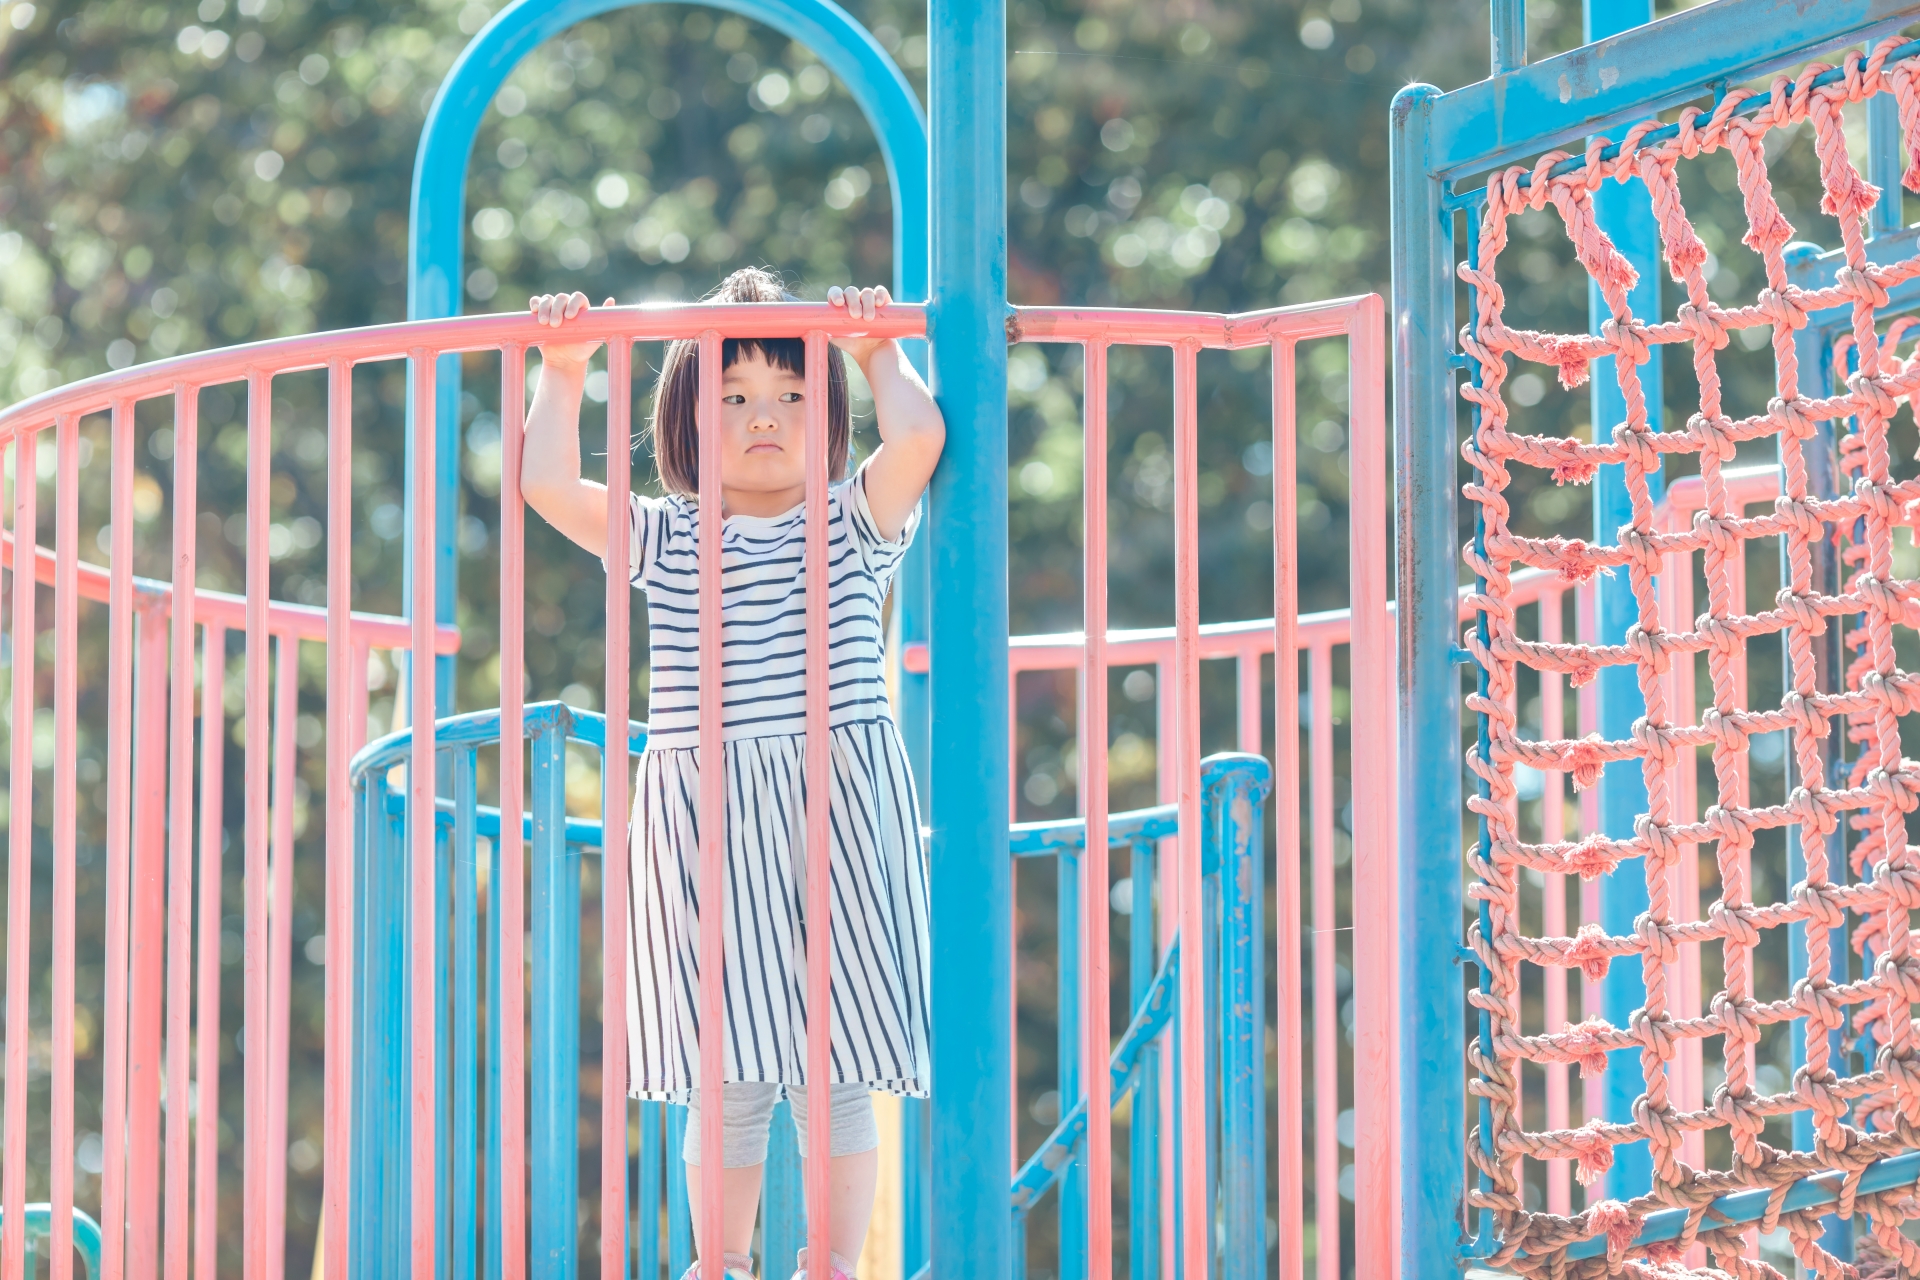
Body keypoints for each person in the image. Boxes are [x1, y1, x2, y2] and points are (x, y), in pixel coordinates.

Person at [519, 267, 944, 1280]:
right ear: (686, 424)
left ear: (829, 418)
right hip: (705, 812)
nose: (767, 417)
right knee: (726, 1059)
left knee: (832, 1057)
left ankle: (829, 1260)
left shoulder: (851, 522)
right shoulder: (667, 536)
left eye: (795, 395)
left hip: (835, 805)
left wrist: (878, 348)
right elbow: (542, 484)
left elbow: (920, 438)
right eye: (736, 395)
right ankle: (723, 1258)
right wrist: (565, 368)